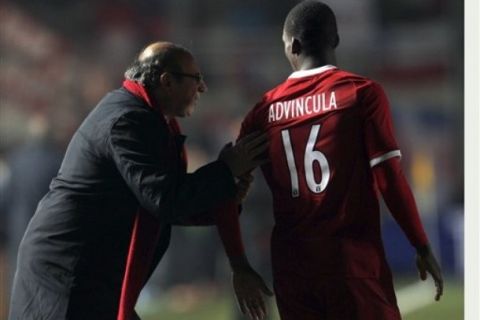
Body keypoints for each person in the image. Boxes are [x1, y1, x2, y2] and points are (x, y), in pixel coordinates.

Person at [215, 1, 444, 319]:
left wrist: (238, 265)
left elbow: (226, 188)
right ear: (334, 41)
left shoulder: (263, 111)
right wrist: (420, 243)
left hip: (292, 269)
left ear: (292, 44)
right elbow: (388, 177)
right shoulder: (361, 93)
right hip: (351, 262)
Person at [8, 41, 268, 320]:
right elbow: (164, 199)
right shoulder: (128, 120)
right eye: (197, 80)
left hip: (86, 268)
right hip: (67, 274)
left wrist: (222, 195)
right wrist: (225, 170)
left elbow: (162, 200)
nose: (203, 89)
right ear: (167, 82)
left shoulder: (139, 114)